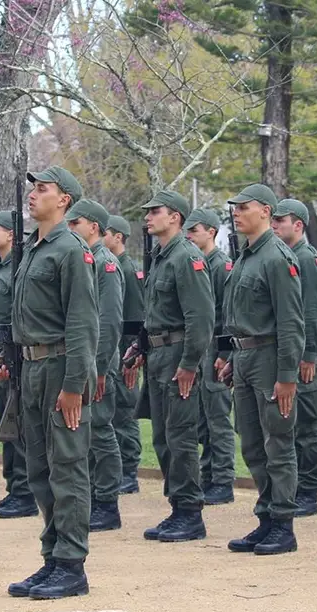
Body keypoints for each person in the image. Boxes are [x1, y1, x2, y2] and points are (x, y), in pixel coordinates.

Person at [0, 166, 98, 599]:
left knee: (67, 467)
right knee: (40, 469)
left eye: (42, 189)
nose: (33, 196)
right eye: (32, 189)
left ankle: (72, 564)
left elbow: (83, 323)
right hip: (30, 370)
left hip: (59, 370)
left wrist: (75, 385)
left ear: (64, 199)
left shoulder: (71, 250)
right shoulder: (33, 249)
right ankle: (52, 556)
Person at [220, 184, 304, 556]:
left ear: (266, 212)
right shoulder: (245, 257)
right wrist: (231, 359)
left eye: (244, 207)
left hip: (270, 358)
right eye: (234, 208)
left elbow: (291, 322)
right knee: (253, 444)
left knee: (278, 443)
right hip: (246, 358)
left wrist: (287, 376)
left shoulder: (276, 256)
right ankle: (267, 517)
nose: (237, 213)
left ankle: (283, 524)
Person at [128, 190, 214, 543]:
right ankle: (178, 506)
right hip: (160, 356)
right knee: (163, 437)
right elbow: (156, 316)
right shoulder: (162, 257)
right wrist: (139, 346)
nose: (148, 218)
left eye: (155, 212)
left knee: (180, 437)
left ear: (175, 217)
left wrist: (190, 364)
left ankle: (190, 512)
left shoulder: (185, 257)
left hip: (179, 357)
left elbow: (201, 317)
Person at [65, 200, 125, 532]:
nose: (70, 227)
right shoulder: (83, 260)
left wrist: (100, 368)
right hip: (83, 361)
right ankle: (90, 498)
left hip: (98, 361)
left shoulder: (105, 264)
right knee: (84, 433)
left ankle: (107, 503)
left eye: (77, 223)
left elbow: (110, 321)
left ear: (94, 228)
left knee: (101, 431)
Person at [270, 199, 317, 518]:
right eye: (274, 220)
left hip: (305, 355)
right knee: (288, 423)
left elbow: (314, 312)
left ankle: (308, 490)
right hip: (287, 353)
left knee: (307, 424)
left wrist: (308, 355)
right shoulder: (284, 257)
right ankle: (293, 488)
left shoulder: (307, 259)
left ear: (299, 226)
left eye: (282, 220)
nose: (276, 225)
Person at [0, 210, 38, 519]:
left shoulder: (18, 268)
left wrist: (9, 354)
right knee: (7, 422)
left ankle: (25, 491)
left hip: (16, 356)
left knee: (19, 424)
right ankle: (15, 488)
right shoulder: (0, 268)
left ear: (12, 235)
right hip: (2, 354)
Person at [183, 209, 236, 506]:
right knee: (203, 420)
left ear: (211, 232)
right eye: (188, 231)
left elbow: (227, 314)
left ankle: (223, 479)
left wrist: (224, 353)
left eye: (195, 231)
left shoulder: (220, 266)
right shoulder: (199, 264)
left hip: (215, 350)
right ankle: (209, 473)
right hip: (200, 351)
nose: (190, 236)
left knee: (218, 419)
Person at [103, 215, 145, 495]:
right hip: (111, 350)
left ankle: (129, 470)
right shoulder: (109, 267)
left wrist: (131, 357)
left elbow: (134, 316)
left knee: (125, 411)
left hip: (124, 350)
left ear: (118, 237)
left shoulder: (128, 270)